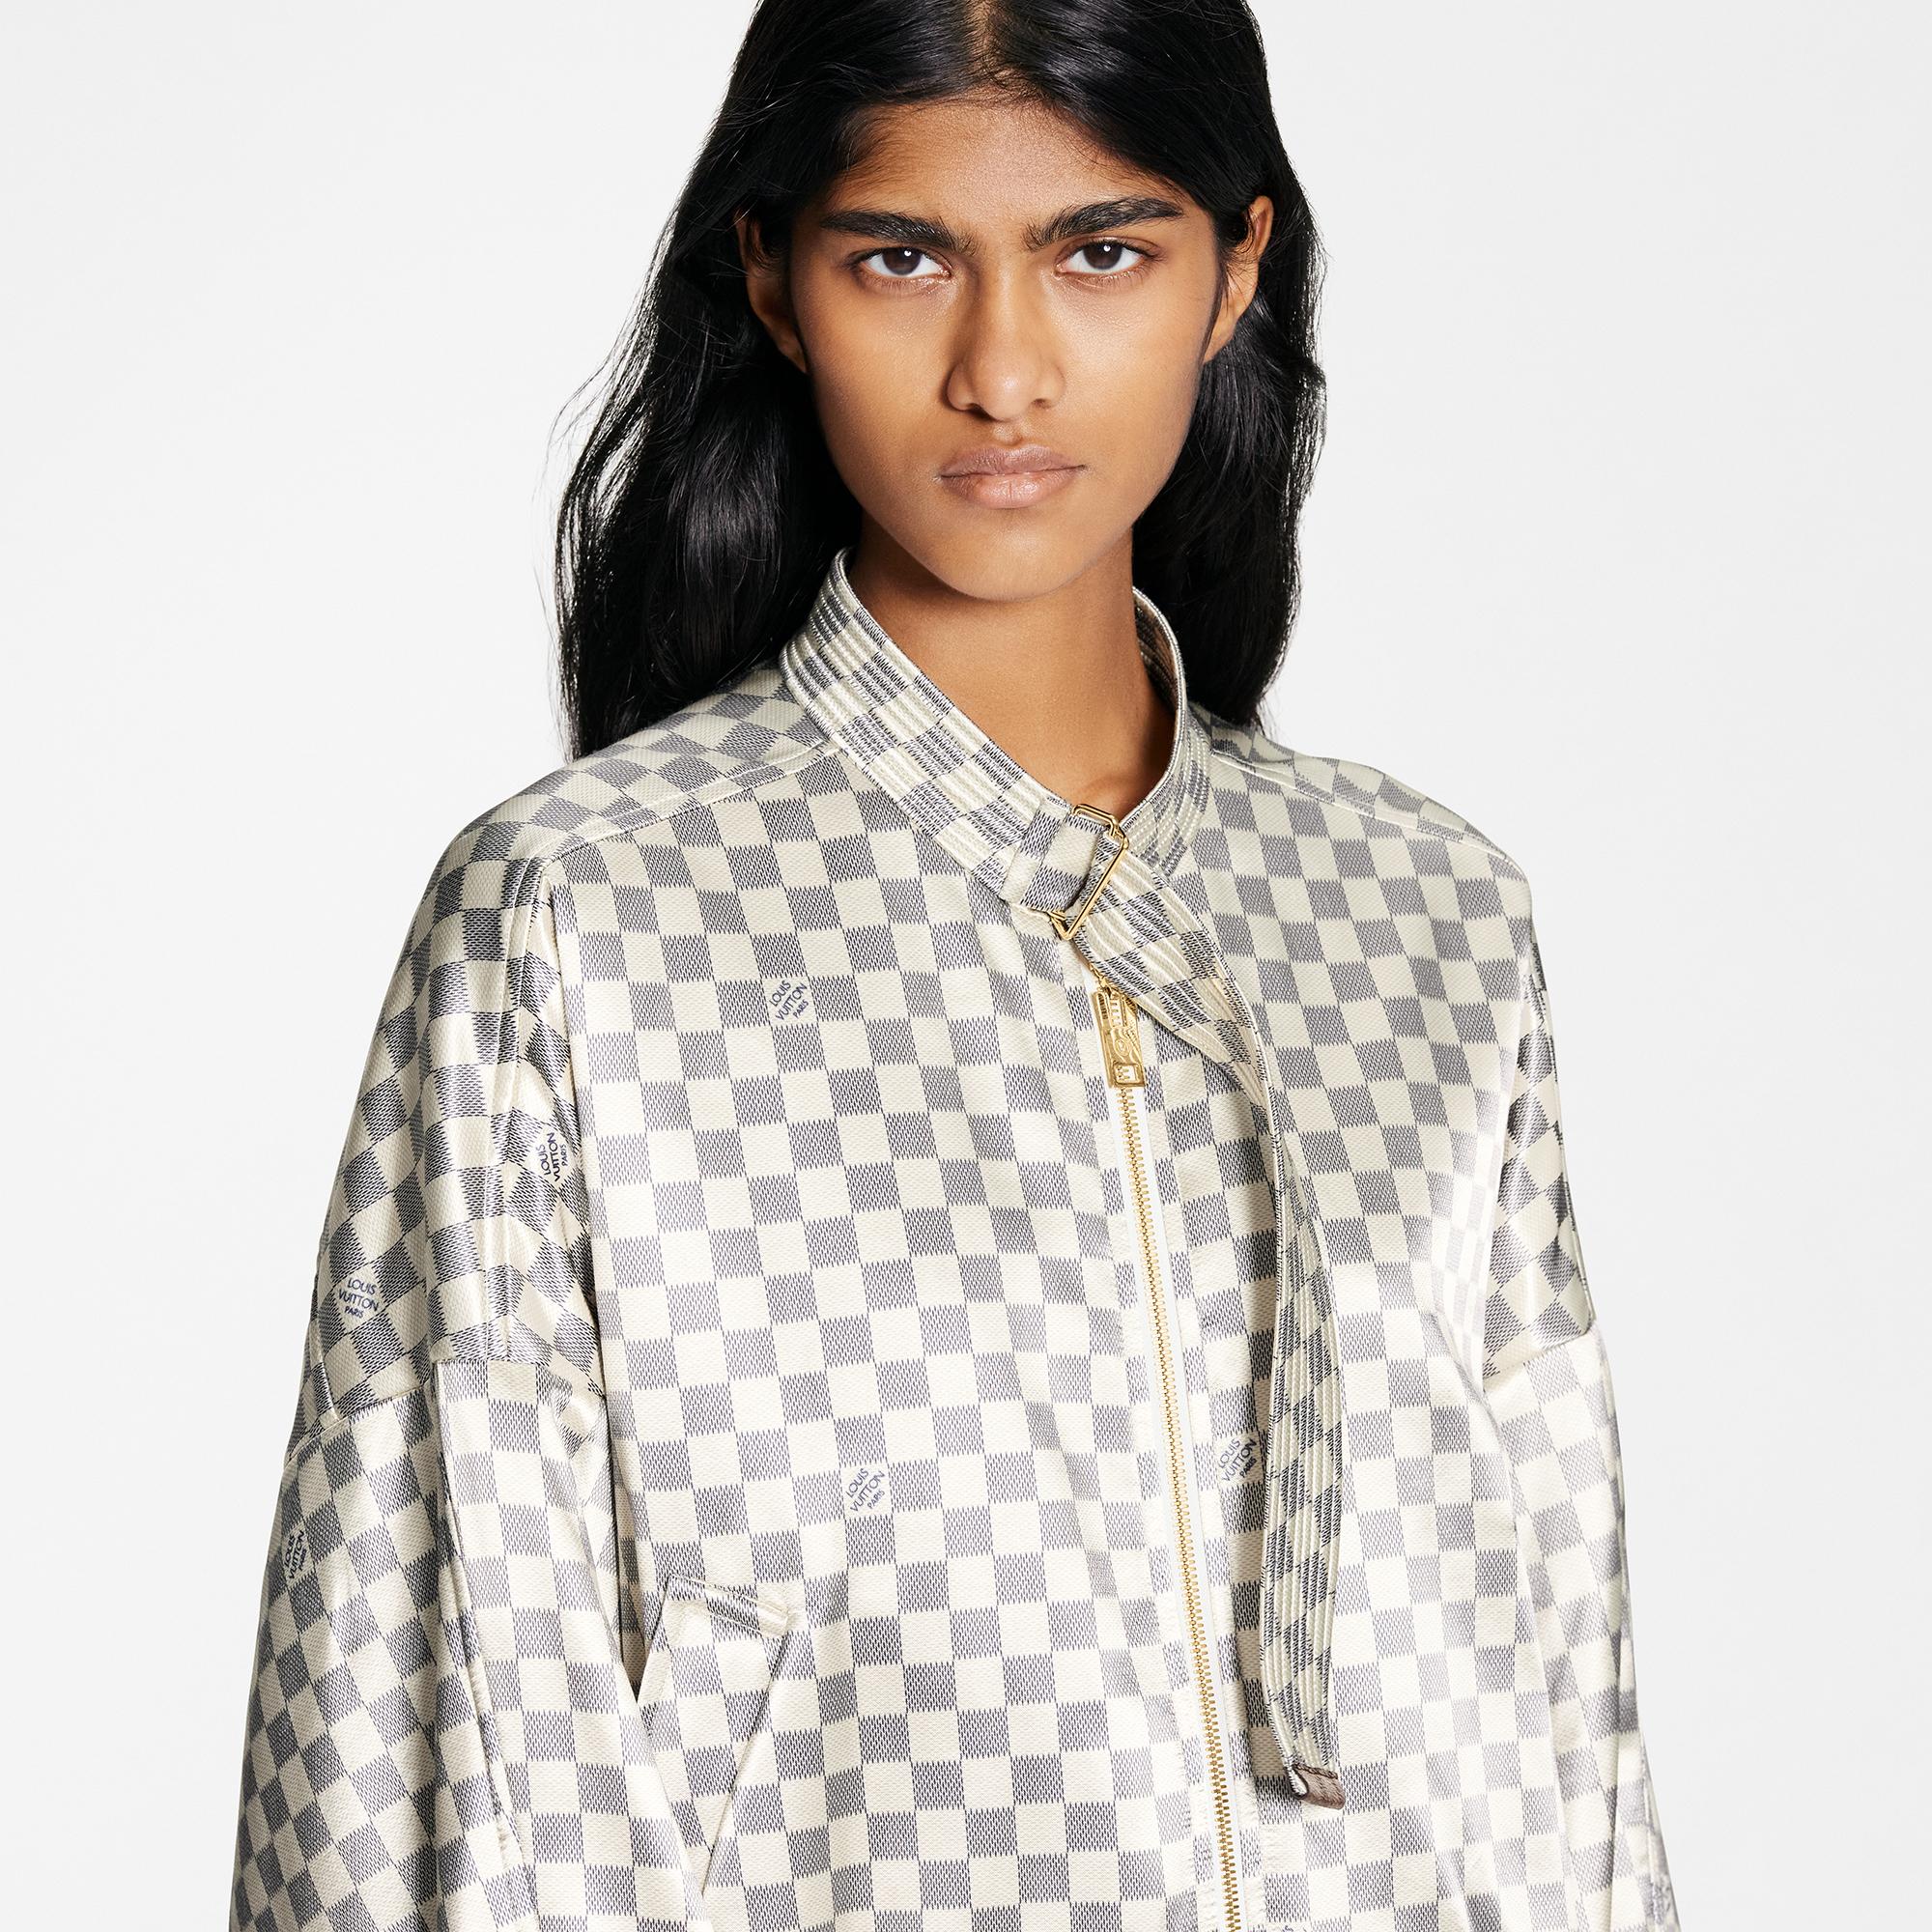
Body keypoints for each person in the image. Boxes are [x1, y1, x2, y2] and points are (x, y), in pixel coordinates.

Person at [225, 4, 1677, 1929]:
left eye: (1104, 252)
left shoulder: (1427, 912)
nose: (1003, 370)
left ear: (1236, 268)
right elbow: (430, 1731)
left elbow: (1568, 1705)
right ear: (774, 278)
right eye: (903, 258)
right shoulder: (580, 913)